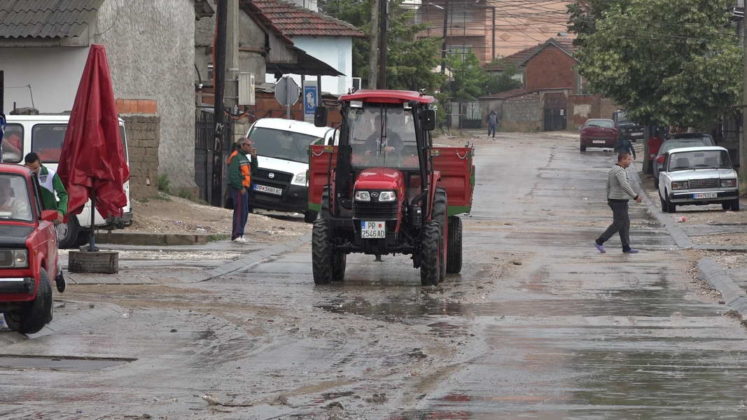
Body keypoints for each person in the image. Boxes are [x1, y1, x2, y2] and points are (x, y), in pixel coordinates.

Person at [594, 152, 642, 254]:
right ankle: (600, 241)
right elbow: (624, 185)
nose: (630, 161)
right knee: (618, 223)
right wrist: (635, 196)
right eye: (629, 159)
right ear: (622, 160)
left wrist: (608, 199)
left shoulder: (613, 169)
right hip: (618, 201)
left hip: (616, 200)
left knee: (625, 224)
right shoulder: (620, 171)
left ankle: (626, 247)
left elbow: (608, 186)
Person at [227, 137, 257, 243]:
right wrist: (240, 187)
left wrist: (254, 158)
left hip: (245, 188)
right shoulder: (236, 157)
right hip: (239, 189)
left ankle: (240, 233)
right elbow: (233, 174)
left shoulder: (244, 157)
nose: (250, 147)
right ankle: (236, 235)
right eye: (248, 145)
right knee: (239, 212)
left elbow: (253, 170)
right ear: (242, 145)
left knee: (244, 212)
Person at [24, 152, 68, 223]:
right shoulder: (22, 176)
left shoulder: (51, 174)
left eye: (35, 168)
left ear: (39, 163)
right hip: (29, 218)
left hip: (50, 219)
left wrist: (61, 211)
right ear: (25, 165)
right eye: (31, 169)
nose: (34, 171)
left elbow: (63, 195)